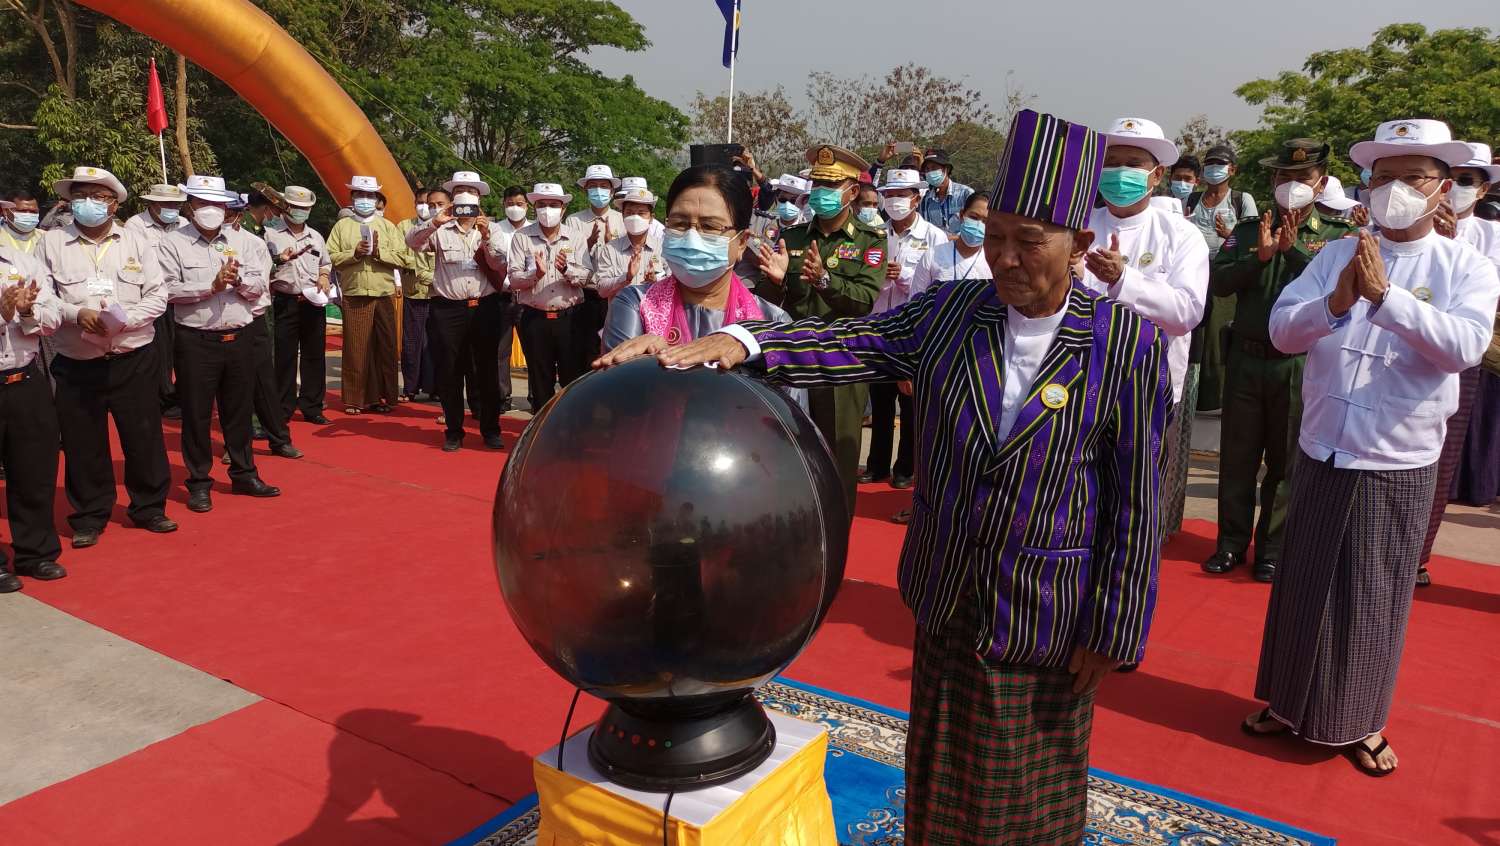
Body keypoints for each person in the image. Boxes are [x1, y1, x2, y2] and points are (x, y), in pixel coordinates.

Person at [651, 109, 1169, 845]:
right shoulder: (954, 313)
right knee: (941, 777)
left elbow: (1136, 502)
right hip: (946, 591)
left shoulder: (1125, 345)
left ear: (1079, 245)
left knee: (1028, 797)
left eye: (1029, 242)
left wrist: (1114, 627)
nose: (1005, 260)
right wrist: (742, 341)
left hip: (1046, 609)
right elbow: (854, 338)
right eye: (994, 238)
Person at [1245, 119, 1500, 777]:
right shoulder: (1336, 253)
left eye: (1412, 177)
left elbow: (1465, 347)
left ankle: (1360, 721)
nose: (1395, 190)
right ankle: (1285, 703)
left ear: (1441, 187)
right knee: (1302, 584)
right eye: (1383, 177)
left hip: (1395, 455)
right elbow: (1282, 332)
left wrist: (1387, 299)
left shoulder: (1465, 266)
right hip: (1324, 444)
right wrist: (1334, 303)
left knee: (1371, 595)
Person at [1203, 140, 1357, 582]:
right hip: (1247, 359)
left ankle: (1271, 549)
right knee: (1237, 457)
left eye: (1303, 178)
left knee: (1285, 462)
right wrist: (1261, 257)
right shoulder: (1250, 230)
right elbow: (1220, 282)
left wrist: (1292, 253)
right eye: (1284, 177)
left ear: (1321, 184)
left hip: (1297, 364)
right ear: (1272, 180)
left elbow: (1336, 290)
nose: (1292, 185)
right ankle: (1230, 543)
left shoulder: (1335, 235)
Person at [1079, 117, 1209, 541]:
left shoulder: (1181, 235)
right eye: (1112, 162)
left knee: (1135, 500)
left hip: (1148, 387)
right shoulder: (1078, 225)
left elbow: (1186, 311)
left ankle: (1129, 569)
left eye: (1133, 164)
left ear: (1156, 175)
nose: (1120, 173)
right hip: (1078, 380)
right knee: (1077, 492)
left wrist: (1124, 281)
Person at [40, 166, 177, 550]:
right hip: (77, 360)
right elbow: (43, 296)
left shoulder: (136, 241)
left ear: (114, 204)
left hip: (133, 356)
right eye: (80, 196)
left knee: (144, 435)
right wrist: (75, 313)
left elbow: (157, 295)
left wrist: (124, 321)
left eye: (98, 197)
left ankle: (149, 507)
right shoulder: (51, 243)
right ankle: (89, 515)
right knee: (83, 442)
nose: (89, 203)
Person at [757, 145, 886, 512]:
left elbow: (864, 300)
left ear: (852, 191)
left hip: (840, 364)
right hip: (794, 361)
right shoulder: (794, 237)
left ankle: (836, 532)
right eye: (817, 185)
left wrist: (826, 282)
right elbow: (771, 303)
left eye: (830, 186)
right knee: (789, 452)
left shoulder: (869, 240)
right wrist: (776, 281)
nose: (820, 193)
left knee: (837, 460)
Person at [157, 174, 281, 513]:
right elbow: (167, 290)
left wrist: (237, 280)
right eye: (202, 203)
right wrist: (209, 287)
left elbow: (259, 286)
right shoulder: (173, 243)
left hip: (239, 336)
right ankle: (199, 482)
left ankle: (244, 473)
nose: (210, 209)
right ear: (190, 206)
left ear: (227, 208)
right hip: (196, 339)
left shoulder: (244, 242)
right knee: (196, 413)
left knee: (238, 410)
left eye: (216, 204)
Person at [593, 165, 793, 362]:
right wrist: (649, 364)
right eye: (680, 224)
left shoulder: (772, 322)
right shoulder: (635, 304)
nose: (691, 238)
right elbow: (619, 380)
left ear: (741, 242)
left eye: (709, 226)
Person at [1419, 142, 1500, 582]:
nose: (1459, 188)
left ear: (1483, 189)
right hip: (1407, 344)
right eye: (1455, 179)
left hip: (1460, 354)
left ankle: (1417, 555)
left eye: (1469, 181)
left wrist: (1452, 245)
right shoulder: (1413, 219)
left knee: (1443, 456)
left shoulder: (1491, 235)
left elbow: (1485, 297)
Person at [405, 171, 505, 451]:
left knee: (486, 370)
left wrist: (486, 236)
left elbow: (499, 264)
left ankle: (491, 429)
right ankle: (453, 431)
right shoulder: (440, 228)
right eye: (460, 191)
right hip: (447, 308)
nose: (466, 197)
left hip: (483, 307)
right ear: (452, 199)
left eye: (471, 192)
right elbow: (412, 242)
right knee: (450, 370)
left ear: (479, 198)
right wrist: (435, 221)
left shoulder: (492, 228)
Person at [863, 169, 946, 491]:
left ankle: (906, 467)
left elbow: (938, 284)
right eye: (890, 194)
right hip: (879, 326)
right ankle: (877, 464)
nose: (895, 200)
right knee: (880, 399)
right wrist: (879, 277)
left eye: (902, 194)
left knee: (910, 404)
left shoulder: (934, 237)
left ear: (916, 198)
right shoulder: (874, 234)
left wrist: (905, 277)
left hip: (912, 330)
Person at [0, 193, 65, 592]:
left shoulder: (22, 262)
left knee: (34, 469)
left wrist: (26, 313)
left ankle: (35, 551)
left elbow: (53, 316)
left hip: (24, 377)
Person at [506, 182, 591, 412]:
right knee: (539, 377)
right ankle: (541, 425)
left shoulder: (576, 237)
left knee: (572, 377)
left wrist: (568, 271)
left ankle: (570, 423)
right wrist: (536, 274)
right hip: (535, 317)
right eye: (542, 204)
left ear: (563, 209)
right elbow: (514, 279)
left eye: (553, 205)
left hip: (569, 317)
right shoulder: (522, 237)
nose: (547, 210)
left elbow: (587, 276)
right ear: (534, 208)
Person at [1187, 144, 1259, 414]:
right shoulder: (1192, 199)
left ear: (1232, 170)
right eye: (1210, 164)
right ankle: (1191, 394)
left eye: (1220, 164)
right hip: (1194, 271)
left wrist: (1230, 235)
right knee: (1194, 332)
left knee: (1218, 334)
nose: (1213, 169)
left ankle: (1216, 395)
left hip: (1225, 273)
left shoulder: (1241, 199)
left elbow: (1252, 241)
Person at [327, 174, 406, 414]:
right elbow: (330, 257)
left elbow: (403, 257)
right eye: (360, 195)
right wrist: (355, 254)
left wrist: (379, 253)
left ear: (376, 199)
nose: (364, 199)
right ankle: (355, 399)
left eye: (369, 195)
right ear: (352, 198)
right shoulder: (342, 226)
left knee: (386, 346)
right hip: (355, 292)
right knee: (356, 347)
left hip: (383, 292)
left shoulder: (388, 226)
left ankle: (385, 396)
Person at [266, 185, 332, 427]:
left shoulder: (316, 236)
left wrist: (324, 276)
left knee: (314, 355)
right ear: (285, 206)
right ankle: (283, 407)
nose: (300, 211)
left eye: (305, 208)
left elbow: (325, 263)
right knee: (284, 356)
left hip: (313, 301)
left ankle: (312, 406)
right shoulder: (270, 234)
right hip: (285, 300)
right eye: (295, 207)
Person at [568, 164, 625, 362]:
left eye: (603, 186)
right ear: (585, 190)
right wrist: (588, 244)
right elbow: (569, 259)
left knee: (614, 348)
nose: (598, 190)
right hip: (586, 294)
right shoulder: (574, 221)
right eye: (593, 186)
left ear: (612, 191)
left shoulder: (623, 219)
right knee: (585, 351)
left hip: (615, 295)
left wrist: (611, 247)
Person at [490, 186, 529, 412]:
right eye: (510, 203)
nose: (515, 208)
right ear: (504, 204)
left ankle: (536, 397)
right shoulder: (495, 230)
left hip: (527, 298)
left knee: (533, 350)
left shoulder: (535, 229)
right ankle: (501, 397)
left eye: (519, 204)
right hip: (502, 297)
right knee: (500, 351)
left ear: (527, 206)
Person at [590, 184, 665, 298]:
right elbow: (602, 290)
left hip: (654, 308)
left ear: (651, 218)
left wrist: (656, 281)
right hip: (620, 309)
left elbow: (674, 283)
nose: (635, 217)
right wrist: (627, 277)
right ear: (623, 216)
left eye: (641, 213)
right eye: (629, 213)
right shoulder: (610, 249)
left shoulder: (661, 248)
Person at [399, 188, 438, 402]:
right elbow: (399, 253)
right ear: (414, 204)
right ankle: (410, 387)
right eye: (421, 202)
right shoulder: (404, 226)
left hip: (439, 293)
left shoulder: (443, 227)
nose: (425, 207)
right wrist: (418, 269)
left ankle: (436, 387)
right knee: (412, 342)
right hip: (413, 291)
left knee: (436, 343)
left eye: (429, 204)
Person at [915, 192, 992, 294]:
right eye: (974, 217)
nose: (979, 225)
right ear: (962, 215)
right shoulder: (932, 255)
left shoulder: (993, 261)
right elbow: (915, 298)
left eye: (986, 221)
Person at [916, 148, 973, 236]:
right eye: (927, 169)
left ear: (947, 169)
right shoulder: (925, 201)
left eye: (934, 168)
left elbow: (975, 229)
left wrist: (952, 239)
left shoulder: (965, 194)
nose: (930, 172)